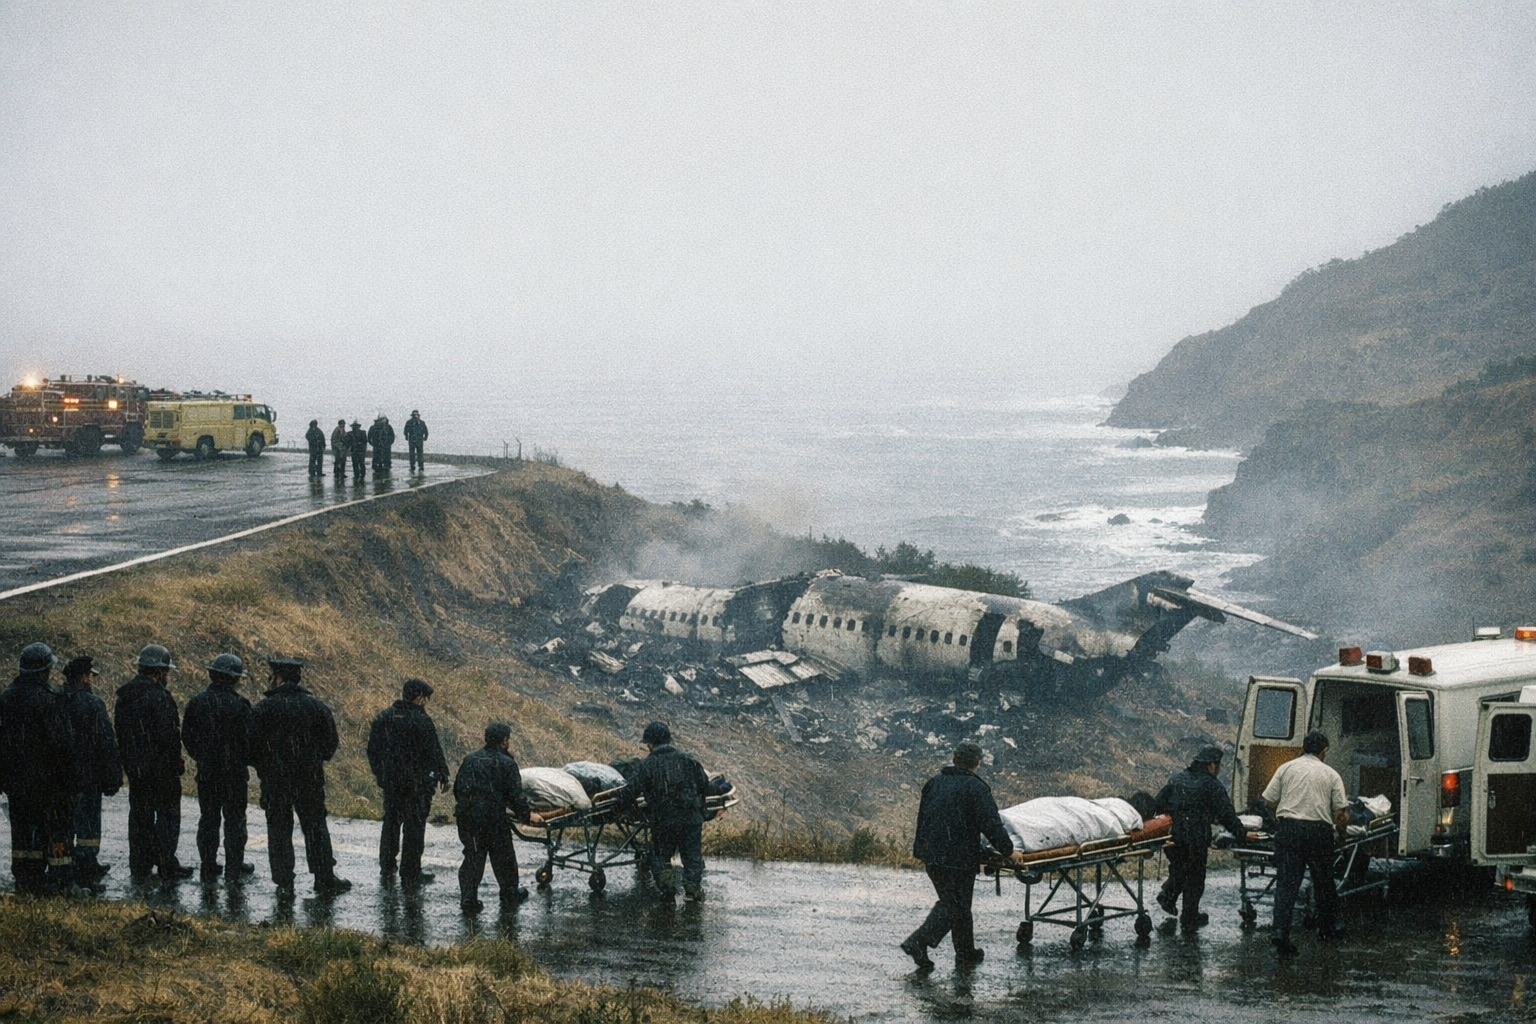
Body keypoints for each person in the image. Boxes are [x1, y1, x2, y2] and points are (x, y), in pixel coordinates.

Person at [901, 740, 1025, 971]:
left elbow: (925, 819)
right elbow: (991, 824)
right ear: (976, 763)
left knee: (957, 903)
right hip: (959, 857)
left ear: (954, 757)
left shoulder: (934, 783)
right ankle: (918, 941)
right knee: (955, 905)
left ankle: (966, 951)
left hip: (932, 854)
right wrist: (1009, 851)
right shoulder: (976, 788)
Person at [248, 656, 352, 896]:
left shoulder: (264, 708)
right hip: (309, 780)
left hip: (275, 781)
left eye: (272, 676)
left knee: (279, 830)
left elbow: (249, 746)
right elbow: (330, 743)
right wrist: (313, 761)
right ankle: (324, 877)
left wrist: (266, 766)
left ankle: (284, 883)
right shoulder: (315, 706)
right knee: (315, 827)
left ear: (279, 678)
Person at [1263, 729, 1350, 956]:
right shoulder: (1331, 774)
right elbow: (1341, 814)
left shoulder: (1286, 768)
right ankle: (1327, 929)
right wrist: (1341, 836)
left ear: (1303, 747)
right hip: (1318, 832)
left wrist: (1278, 822)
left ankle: (1280, 932)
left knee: (1286, 884)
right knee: (1323, 882)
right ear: (1324, 751)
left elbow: (1269, 801)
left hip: (1289, 829)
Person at [0, 643, 78, 894]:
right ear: (45, 670)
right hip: (49, 785)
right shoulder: (50, 701)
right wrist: (72, 783)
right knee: (57, 830)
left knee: (22, 833)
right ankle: (61, 882)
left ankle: (26, 879)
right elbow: (63, 747)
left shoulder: (6, 699)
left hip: (17, 784)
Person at [114, 644, 193, 885]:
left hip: (137, 771)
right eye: (166, 672)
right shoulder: (160, 697)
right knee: (168, 817)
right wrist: (176, 761)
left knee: (139, 817)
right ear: (159, 672)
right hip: (162, 772)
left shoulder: (124, 697)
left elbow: (122, 735)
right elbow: (168, 736)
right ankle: (166, 863)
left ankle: (140, 865)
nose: (167, 677)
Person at [1153, 745, 1250, 931]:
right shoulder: (1212, 785)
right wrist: (1242, 833)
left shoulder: (1176, 779)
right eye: (1219, 766)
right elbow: (1226, 814)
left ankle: (1169, 896)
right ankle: (1189, 916)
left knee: (1179, 868)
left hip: (1173, 837)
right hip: (1195, 838)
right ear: (1212, 766)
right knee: (1195, 877)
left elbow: (1159, 803)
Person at [614, 720, 712, 903]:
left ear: (650, 744)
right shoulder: (688, 759)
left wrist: (616, 807)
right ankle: (692, 891)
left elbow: (631, 791)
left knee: (660, 855)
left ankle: (668, 890)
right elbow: (704, 784)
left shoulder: (647, 765)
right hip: (691, 818)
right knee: (691, 856)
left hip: (664, 819)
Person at [367, 677, 449, 888]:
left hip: (392, 783)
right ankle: (410, 871)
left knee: (391, 822)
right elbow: (434, 752)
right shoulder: (422, 721)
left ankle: (387, 865)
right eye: (425, 698)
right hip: (417, 785)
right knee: (414, 827)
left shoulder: (385, 717)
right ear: (419, 698)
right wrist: (441, 775)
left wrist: (381, 776)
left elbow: (373, 751)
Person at [182, 653, 255, 884]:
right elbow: (249, 742)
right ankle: (234, 867)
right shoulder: (241, 706)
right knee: (235, 821)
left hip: (208, 772)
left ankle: (208, 863)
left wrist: (202, 757)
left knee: (209, 819)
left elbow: (188, 737)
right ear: (234, 679)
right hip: (233, 774)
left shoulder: (197, 702)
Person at [453, 720, 540, 913]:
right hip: (493, 819)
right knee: (504, 856)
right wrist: (527, 816)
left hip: (468, 817)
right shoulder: (508, 763)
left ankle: (468, 899)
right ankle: (509, 892)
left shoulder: (470, 759)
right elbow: (516, 796)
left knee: (473, 857)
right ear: (504, 741)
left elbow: (458, 789)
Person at [60, 656, 122, 889]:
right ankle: (86, 868)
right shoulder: (93, 704)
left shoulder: (57, 700)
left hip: (64, 775)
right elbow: (106, 743)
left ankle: (69, 866)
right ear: (85, 677)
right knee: (88, 826)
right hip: (88, 776)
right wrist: (112, 775)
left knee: (66, 823)